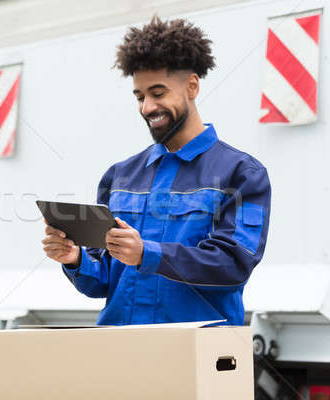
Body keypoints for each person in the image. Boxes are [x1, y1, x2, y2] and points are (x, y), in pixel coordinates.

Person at [42, 16, 271, 326]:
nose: (147, 107)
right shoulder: (119, 177)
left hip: (195, 353)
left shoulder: (241, 174)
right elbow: (105, 279)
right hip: (122, 351)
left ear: (192, 86)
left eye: (158, 93)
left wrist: (147, 254)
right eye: (140, 96)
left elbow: (232, 265)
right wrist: (75, 258)